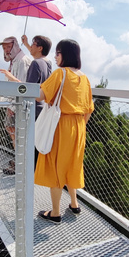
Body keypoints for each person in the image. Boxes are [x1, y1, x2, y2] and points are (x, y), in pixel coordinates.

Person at [35, 39, 93, 224]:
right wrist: (79, 126)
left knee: (57, 166)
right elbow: (89, 109)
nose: (55, 56)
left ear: (65, 54)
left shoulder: (60, 73)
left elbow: (40, 96)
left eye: (58, 53)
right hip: (79, 127)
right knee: (72, 164)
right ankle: (74, 204)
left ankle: (55, 213)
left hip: (60, 125)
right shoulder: (84, 78)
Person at [0, 35, 54, 175]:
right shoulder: (47, 63)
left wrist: (12, 78)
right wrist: (27, 43)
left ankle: (22, 166)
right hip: (41, 106)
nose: (31, 47)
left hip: (29, 107)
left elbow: (27, 89)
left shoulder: (34, 63)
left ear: (40, 48)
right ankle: (24, 164)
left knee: (22, 137)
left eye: (34, 44)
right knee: (29, 139)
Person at [0, 37, 33, 172]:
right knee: (12, 130)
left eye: (8, 47)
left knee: (17, 133)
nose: (6, 51)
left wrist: (12, 107)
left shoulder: (22, 61)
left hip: (18, 105)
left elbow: (21, 85)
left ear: (15, 46)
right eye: (4, 48)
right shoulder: (15, 61)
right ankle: (19, 161)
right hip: (14, 104)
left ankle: (21, 164)